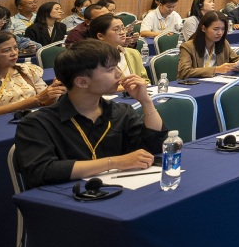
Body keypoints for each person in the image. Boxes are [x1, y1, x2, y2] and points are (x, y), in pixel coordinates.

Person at [14, 39, 167, 188]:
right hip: (69, 199)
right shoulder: (38, 123)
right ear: (82, 82)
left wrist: (146, 101)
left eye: (117, 66)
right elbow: (42, 171)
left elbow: (154, 147)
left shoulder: (121, 112)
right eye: (110, 69)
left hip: (118, 192)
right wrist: (114, 162)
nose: (119, 74)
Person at [0, 31, 65, 117]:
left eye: (15, 47)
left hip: (34, 118)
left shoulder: (27, 70)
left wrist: (54, 93)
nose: (14, 53)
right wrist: (35, 100)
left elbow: (44, 102)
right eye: (6, 50)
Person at [178, 12, 239, 78]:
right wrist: (216, 70)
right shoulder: (188, 47)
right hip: (197, 83)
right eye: (216, 29)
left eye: (223, 29)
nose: (220, 33)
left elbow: (236, 60)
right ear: (203, 28)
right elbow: (184, 72)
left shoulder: (224, 43)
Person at [88, 14, 148, 80]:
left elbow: (145, 80)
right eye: (116, 29)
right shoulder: (92, 59)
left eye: (123, 28)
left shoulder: (133, 53)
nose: (122, 32)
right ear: (100, 36)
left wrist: (141, 84)